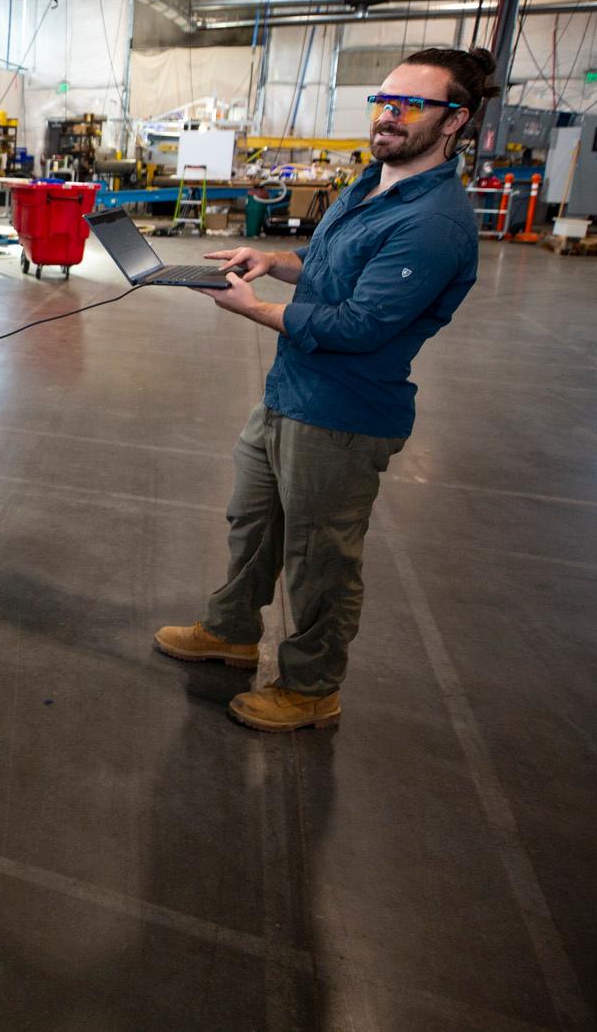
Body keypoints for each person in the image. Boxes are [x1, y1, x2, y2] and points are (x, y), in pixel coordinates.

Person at [154, 47, 489, 731]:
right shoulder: (371, 184)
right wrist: (273, 262)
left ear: (455, 121)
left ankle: (311, 688)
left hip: (343, 414)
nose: (389, 116)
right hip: (288, 392)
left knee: (321, 558)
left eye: (410, 104)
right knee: (253, 523)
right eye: (384, 101)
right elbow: (330, 272)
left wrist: (251, 307)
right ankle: (231, 631)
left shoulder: (433, 223)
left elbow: (358, 325)